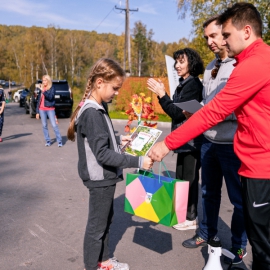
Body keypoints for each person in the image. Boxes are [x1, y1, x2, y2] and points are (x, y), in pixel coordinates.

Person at [148, 3, 270, 270]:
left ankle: (238, 248)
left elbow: (214, 110)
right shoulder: (244, 62)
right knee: (213, 196)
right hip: (247, 159)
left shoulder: (255, 64)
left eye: (225, 35)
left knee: (263, 248)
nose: (221, 41)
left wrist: (167, 143)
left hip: (261, 165)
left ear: (246, 31)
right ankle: (208, 234)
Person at [67, 58, 153, 270]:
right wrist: (139, 161)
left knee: (105, 221)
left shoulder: (98, 106)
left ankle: (104, 261)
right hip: (100, 178)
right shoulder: (92, 112)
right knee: (97, 227)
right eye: (114, 88)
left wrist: (117, 140)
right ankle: (92, 265)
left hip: (104, 177)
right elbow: (103, 155)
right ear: (99, 82)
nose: (116, 93)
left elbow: (101, 140)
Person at [179, 17, 247, 265]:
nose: (209, 41)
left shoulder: (241, 66)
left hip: (231, 144)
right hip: (208, 141)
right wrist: (195, 111)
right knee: (208, 192)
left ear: (226, 34)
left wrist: (206, 111)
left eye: (214, 36)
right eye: (206, 37)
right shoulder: (209, 67)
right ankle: (206, 234)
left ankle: (239, 246)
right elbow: (209, 103)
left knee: (239, 200)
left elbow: (237, 107)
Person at [147, 48, 204, 230]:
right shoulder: (183, 83)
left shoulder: (193, 84)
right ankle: (181, 213)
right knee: (181, 178)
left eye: (181, 62)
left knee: (189, 179)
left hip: (192, 140)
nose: (177, 66)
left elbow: (176, 113)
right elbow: (176, 113)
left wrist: (162, 95)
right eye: (176, 62)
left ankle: (191, 217)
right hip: (183, 140)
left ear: (191, 64)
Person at [36, 75, 63, 147]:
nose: (43, 82)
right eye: (43, 80)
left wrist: (43, 91)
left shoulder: (52, 88)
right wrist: (37, 112)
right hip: (41, 109)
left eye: (45, 80)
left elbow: (50, 97)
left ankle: (59, 141)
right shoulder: (41, 89)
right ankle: (48, 141)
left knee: (54, 125)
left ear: (48, 81)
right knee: (44, 125)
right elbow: (39, 100)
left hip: (50, 109)